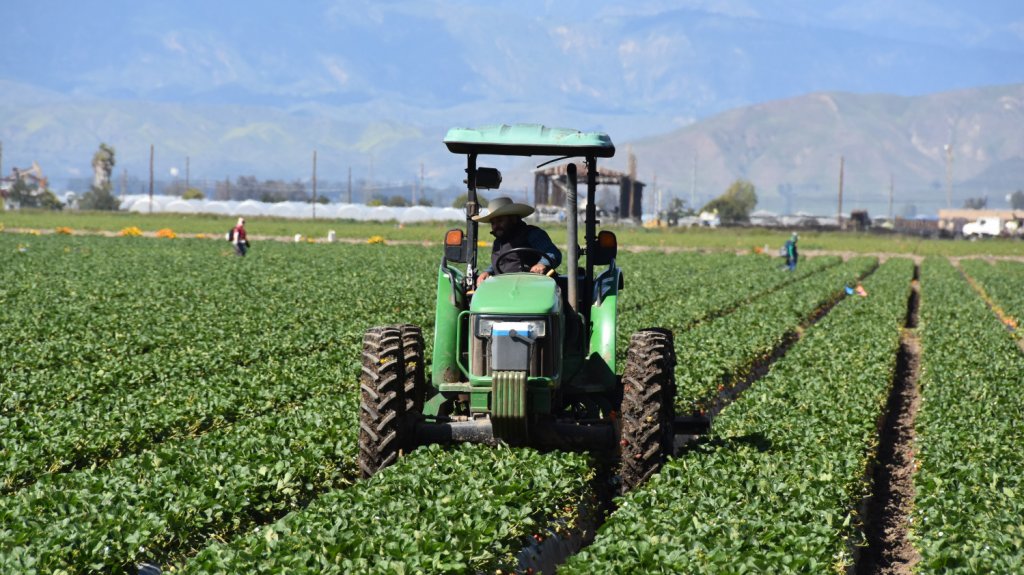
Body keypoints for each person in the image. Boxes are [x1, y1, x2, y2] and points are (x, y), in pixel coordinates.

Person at [473, 197, 561, 288]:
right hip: (504, 287)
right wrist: (488, 271)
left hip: (533, 286)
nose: (496, 226)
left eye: (500, 221)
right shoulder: (498, 242)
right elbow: (503, 262)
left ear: (513, 219)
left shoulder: (532, 234)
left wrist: (542, 264)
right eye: (493, 223)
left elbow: (553, 253)